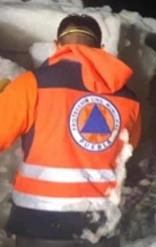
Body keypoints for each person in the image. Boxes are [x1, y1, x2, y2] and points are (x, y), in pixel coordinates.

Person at [0, 14, 141, 247]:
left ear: (57, 46)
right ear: (102, 48)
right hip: (101, 224)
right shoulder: (129, 99)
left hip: (41, 222)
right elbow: (128, 147)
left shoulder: (31, 85)